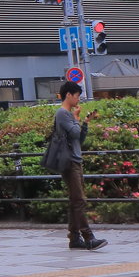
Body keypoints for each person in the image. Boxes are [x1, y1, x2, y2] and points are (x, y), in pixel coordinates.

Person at [44, 81, 104, 250]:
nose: (78, 99)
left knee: (74, 201)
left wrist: (85, 122)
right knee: (79, 200)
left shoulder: (68, 115)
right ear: (68, 95)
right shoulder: (63, 113)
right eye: (77, 95)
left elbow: (79, 138)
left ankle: (74, 237)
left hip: (75, 159)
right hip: (70, 161)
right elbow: (75, 132)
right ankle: (88, 237)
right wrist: (77, 119)